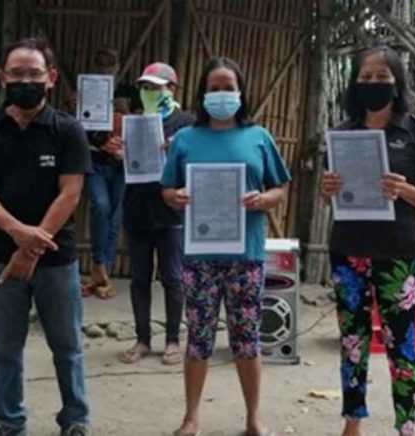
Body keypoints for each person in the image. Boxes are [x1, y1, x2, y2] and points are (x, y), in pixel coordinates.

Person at [0, 38, 91, 436]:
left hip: (57, 258)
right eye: (16, 74)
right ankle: (8, 421)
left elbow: (71, 192)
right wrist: (17, 233)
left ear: (50, 79)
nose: (25, 81)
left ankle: (75, 420)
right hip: (1, 255)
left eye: (34, 74)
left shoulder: (67, 130)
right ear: (2, 77)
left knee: (67, 346)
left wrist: (32, 247)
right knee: (4, 348)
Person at [161, 57, 290, 436]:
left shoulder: (259, 138)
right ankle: (191, 417)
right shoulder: (185, 140)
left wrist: (266, 200)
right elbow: (166, 189)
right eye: (214, 88)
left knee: (247, 339)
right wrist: (176, 196)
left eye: (227, 87)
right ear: (203, 93)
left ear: (240, 92)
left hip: (245, 256)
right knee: (198, 338)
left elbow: (280, 188)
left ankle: (253, 417)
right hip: (199, 256)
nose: (221, 94)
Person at [320, 45, 415, 436]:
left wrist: (406, 191)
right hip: (348, 251)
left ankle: (405, 426)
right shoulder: (341, 134)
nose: (373, 84)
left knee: (401, 346)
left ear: (397, 83)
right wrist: (327, 188)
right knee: (352, 342)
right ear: (356, 84)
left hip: (399, 257)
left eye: (382, 77)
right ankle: (352, 423)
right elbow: (332, 193)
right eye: (366, 78)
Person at [118, 62, 193, 366]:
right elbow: (122, 165)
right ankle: (142, 339)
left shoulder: (186, 124)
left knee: (173, 278)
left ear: (171, 89)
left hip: (171, 212)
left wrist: (179, 148)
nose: (149, 93)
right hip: (137, 208)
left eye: (155, 87)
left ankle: (173, 340)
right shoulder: (133, 123)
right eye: (145, 88)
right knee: (138, 278)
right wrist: (119, 153)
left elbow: (197, 165)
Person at [83, 47, 142, 298]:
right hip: (95, 161)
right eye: (101, 63)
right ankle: (99, 263)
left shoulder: (131, 93)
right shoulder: (84, 92)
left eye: (110, 64)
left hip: (122, 164)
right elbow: (77, 130)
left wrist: (126, 150)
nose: (106, 68)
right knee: (100, 206)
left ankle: (102, 270)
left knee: (115, 217)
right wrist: (100, 144)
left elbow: (141, 126)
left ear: (118, 66)